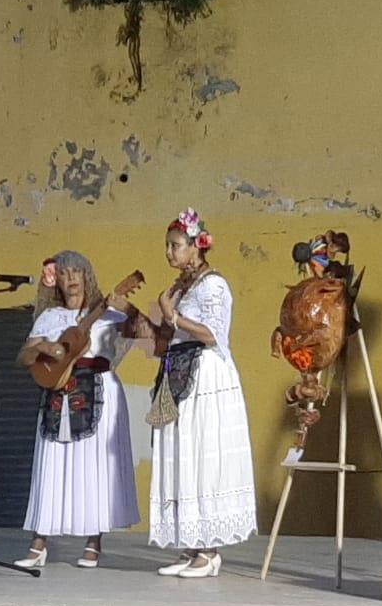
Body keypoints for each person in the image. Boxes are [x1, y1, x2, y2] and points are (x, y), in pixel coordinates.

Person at [144, 208, 257, 577]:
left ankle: (209, 552)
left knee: (202, 454)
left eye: (175, 245)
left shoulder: (213, 285)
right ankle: (191, 544)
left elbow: (212, 334)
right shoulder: (183, 287)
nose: (169, 252)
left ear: (196, 246)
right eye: (167, 246)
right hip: (180, 370)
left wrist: (173, 315)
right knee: (183, 453)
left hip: (205, 374)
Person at [14, 251, 139, 568]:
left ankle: (94, 541)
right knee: (51, 465)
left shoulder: (108, 314)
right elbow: (24, 356)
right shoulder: (49, 317)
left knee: (94, 466)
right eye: (64, 272)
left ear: (87, 276)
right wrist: (45, 347)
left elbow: (143, 332)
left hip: (98, 390)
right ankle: (39, 542)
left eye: (76, 271)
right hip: (58, 392)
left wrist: (128, 310)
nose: (70, 278)